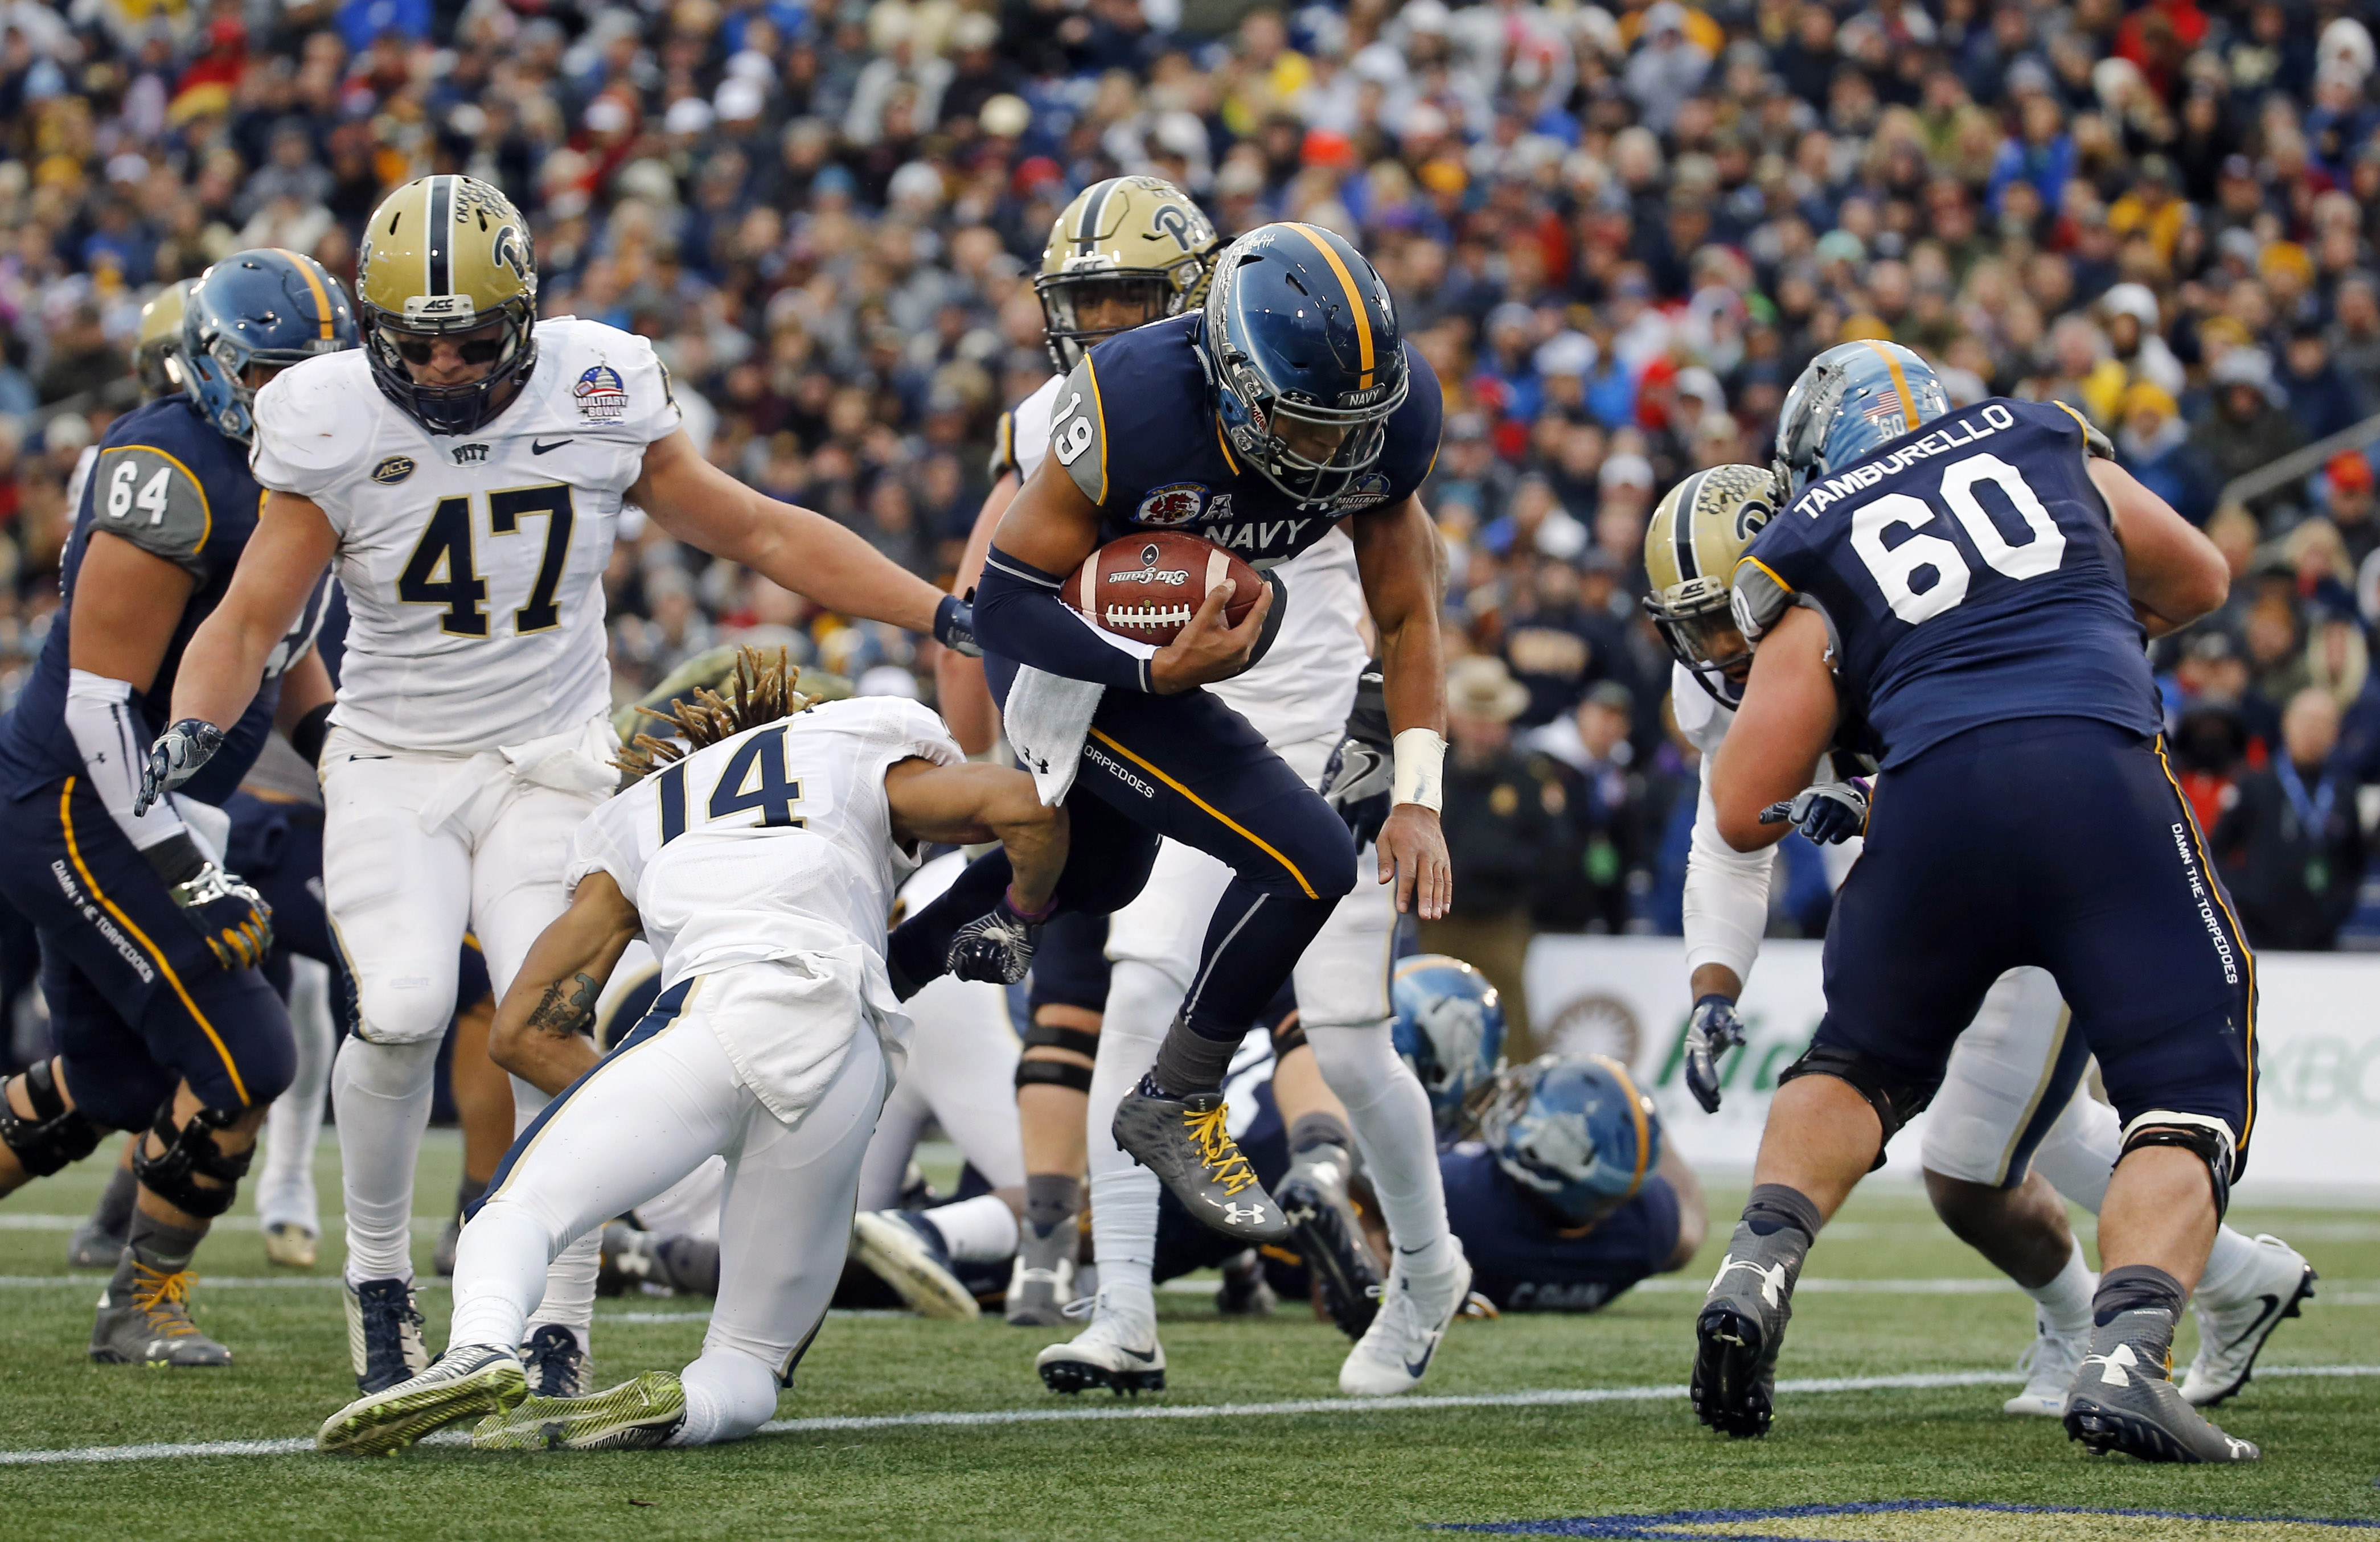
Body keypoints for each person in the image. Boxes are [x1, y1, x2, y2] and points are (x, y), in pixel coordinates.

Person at [138, 175, 984, 1399]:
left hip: (551, 760)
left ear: (527, 319)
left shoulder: (598, 382)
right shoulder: (327, 413)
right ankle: (379, 1282)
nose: (442, 369)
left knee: (546, 1022)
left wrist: (936, 609)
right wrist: (194, 720)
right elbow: (252, 611)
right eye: (415, 344)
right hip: (396, 759)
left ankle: (561, 1318)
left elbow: (754, 530)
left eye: (473, 342)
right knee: (404, 1008)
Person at [894, 222, 1462, 1398]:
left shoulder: (1383, 411)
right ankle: (1123, 1309)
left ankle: (1428, 1268)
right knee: (1143, 979)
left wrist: (1415, 789)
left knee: (1350, 1038)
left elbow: (1410, 610)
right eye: (1304, 424)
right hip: (1176, 706)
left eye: (1349, 425)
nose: (1330, 448)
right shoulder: (1130, 403)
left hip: (1318, 715)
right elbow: (1004, 601)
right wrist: (1146, 670)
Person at [1646, 458, 2311, 1421]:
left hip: (2038, 852)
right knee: (2032, 1124)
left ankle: (2098, 1323)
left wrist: (1872, 794)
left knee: (1968, 1158)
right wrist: (1715, 983)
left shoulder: (1871, 599)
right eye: (1698, 626)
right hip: (1925, 878)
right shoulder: (1737, 669)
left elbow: (2014, 712)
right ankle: (2232, 1280)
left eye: (1733, 615)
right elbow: (1730, 833)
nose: (1722, 648)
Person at [315, 650, 1066, 1455]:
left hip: (718, 1010)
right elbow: (1027, 809)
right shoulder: (849, 739)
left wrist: (661, 1118)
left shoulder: (639, 811)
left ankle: (480, 1347)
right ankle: (688, 1406)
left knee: (517, 1214)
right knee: (750, 1359)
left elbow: (520, 1031)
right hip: (852, 1048)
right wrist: (1020, 918)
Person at [0, 250, 354, 1365]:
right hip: (74, 798)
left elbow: (281, 641)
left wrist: (344, 762)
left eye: (315, 374)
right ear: (210, 365)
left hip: (133, 801)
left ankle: (137, 1293)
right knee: (250, 1053)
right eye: (269, 376)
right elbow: (101, 703)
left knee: (110, 1080)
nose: (294, 398)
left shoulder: (306, 461)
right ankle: (141, 1299)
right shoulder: (172, 468)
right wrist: (188, 870)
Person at [934, 176, 1224, 1331]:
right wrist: (979, 758)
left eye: (1128, 300)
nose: (1101, 324)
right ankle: (1053, 1243)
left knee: (1193, 989)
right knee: (1077, 984)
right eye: (1087, 301)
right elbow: (976, 604)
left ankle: (1109, 1242)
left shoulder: (1229, 401)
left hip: (1199, 710)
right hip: (1081, 714)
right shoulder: (1046, 416)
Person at [1425, 655, 1571, 1059]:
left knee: (1507, 1014)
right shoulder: (1435, 772)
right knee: (1433, 1010)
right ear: (1457, 719)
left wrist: (1496, 867)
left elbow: (1556, 850)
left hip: (1500, 919)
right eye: (1474, 718)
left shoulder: (1528, 777)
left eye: (1490, 720)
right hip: (1437, 918)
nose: (1482, 729)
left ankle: (1514, 1085)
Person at [2215, 686, 2368, 949]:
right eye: (2307, 721)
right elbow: (2215, 852)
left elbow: (2355, 861)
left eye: (2323, 723)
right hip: (2259, 934)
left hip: (2322, 938)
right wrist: (2246, 895)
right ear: (2287, 723)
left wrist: (2338, 906)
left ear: (2336, 732)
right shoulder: (2254, 783)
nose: (2313, 731)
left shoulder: (2344, 790)